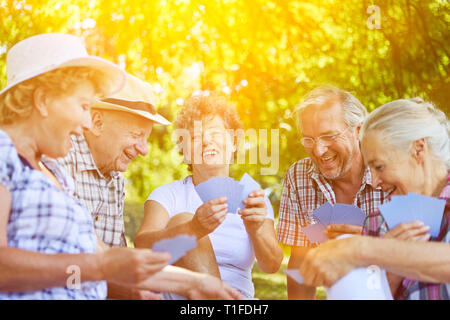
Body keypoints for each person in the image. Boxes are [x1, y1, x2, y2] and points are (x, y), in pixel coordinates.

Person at [0, 33, 241, 300]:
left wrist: (194, 284)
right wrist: (99, 268)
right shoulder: (4, 155)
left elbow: (109, 257)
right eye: (83, 106)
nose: (86, 123)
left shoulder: (54, 174)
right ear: (43, 100)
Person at [134, 92, 284, 299]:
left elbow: (272, 265)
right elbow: (142, 247)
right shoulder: (168, 195)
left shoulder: (253, 199)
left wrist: (256, 230)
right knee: (182, 220)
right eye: (195, 137)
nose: (206, 142)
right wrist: (192, 228)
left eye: (215, 133)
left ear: (233, 143)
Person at [299, 98, 450, 300]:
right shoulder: (378, 224)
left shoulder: (369, 246)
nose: (376, 182)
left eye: (379, 166)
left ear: (418, 149)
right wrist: (389, 276)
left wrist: (360, 249)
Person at [277, 85, 388, 299]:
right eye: (309, 139)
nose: (318, 151)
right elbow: (300, 261)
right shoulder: (299, 177)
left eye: (329, 136)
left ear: (359, 130)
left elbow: (424, 253)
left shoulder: (389, 169)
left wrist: (371, 240)